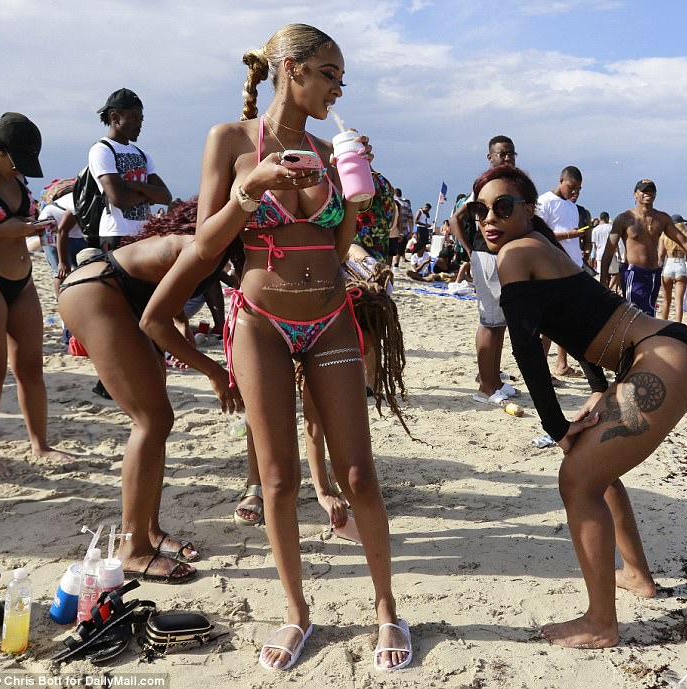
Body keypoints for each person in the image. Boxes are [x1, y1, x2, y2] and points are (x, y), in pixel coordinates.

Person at [189, 23, 410, 672]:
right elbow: (206, 245)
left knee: (361, 475)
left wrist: (355, 194)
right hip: (260, 319)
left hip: (331, 317)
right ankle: (298, 612)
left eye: (343, 78)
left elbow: (337, 251)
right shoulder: (230, 140)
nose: (339, 88)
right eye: (331, 74)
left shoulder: (323, 147)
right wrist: (250, 187)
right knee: (280, 479)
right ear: (291, 69)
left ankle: (386, 608)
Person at [469, 164, 687, 648]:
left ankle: (601, 623)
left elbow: (526, 347)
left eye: (502, 206)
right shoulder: (540, 247)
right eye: (480, 210)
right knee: (596, 467)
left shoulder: (517, 254)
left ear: (528, 210)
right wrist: (599, 388)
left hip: (661, 358)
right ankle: (637, 575)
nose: (489, 218)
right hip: (655, 354)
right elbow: (581, 320)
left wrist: (556, 425)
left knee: (577, 477)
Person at [59, 202, 239, 583]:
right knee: (151, 420)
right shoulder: (203, 248)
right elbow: (153, 320)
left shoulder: (212, 250)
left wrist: (184, 323)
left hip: (118, 293)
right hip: (96, 294)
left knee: (158, 421)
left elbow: (164, 289)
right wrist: (214, 372)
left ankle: (150, 532)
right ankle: (132, 548)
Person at [0, 113, 74, 479]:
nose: (19, 170)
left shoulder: (17, 176)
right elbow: (5, 229)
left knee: (31, 369)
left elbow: (22, 227)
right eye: (16, 161)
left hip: (22, 280)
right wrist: (5, 230)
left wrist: (30, 228)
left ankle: (40, 443)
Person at [447, 135, 520, 405]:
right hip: (487, 256)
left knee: (498, 323)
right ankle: (486, 387)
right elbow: (456, 218)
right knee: (490, 323)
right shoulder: (488, 185)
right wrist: (469, 250)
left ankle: (493, 379)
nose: (508, 158)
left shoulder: (508, 184)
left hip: (499, 256)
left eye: (511, 153)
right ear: (491, 157)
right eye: (502, 154)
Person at [600, 180, 687, 316]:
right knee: (634, 314)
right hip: (634, 272)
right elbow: (609, 251)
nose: (648, 194)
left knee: (649, 312)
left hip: (654, 273)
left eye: (651, 191)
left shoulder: (661, 218)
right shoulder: (624, 218)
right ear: (635, 195)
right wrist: (603, 279)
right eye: (643, 191)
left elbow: (684, 242)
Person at [89, 89, 172, 251]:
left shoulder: (142, 154)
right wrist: (149, 195)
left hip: (145, 233)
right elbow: (119, 200)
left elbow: (166, 196)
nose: (139, 124)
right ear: (114, 117)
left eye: (141, 119)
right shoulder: (102, 150)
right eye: (133, 118)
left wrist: (138, 186)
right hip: (117, 234)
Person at [537, 166, 586, 376]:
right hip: (551, 267)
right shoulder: (545, 201)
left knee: (566, 320)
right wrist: (568, 235)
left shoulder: (573, 207)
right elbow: (539, 234)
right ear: (561, 180)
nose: (574, 193)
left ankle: (562, 364)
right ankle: (540, 370)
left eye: (579, 189)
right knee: (547, 321)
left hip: (573, 266)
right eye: (572, 187)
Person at [657, 225, 687, 323]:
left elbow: (661, 255)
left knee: (666, 300)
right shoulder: (684, 235)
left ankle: (663, 323)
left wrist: (659, 265)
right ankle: (678, 325)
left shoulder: (664, 236)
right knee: (679, 302)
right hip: (681, 263)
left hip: (669, 264)